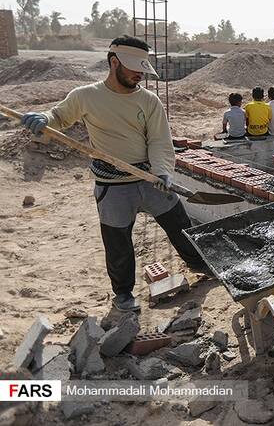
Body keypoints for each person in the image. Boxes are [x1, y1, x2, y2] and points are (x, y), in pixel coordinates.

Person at [19, 35, 207, 312]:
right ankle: (123, 293)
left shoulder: (149, 100)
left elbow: (159, 140)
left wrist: (164, 172)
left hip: (151, 179)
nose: (139, 74)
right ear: (113, 62)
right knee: (117, 241)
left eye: (143, 68)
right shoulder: (86, 96)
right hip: (113, 184)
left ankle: (200, 264)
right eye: (134, 67)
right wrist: (44, 120)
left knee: (181, 225)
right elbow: (59, 117)